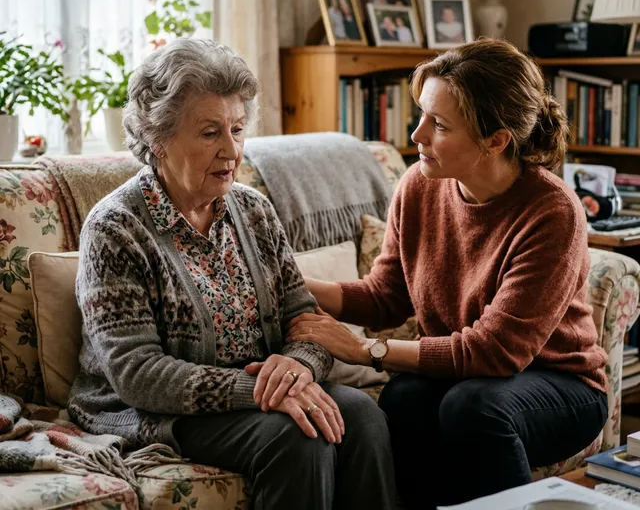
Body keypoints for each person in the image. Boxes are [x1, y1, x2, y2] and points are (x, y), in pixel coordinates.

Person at [67, 39, 396, 510]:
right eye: (209, 133)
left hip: (259, 394)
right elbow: (137, 374)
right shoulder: (116, 228)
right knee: (296, 438)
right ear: (157, 138)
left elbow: (305, 321)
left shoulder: (254, 210)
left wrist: (299, 366)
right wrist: (262, 391)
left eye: (237, 129)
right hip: (152, 409)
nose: (231, 150)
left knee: (363, 416)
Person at [288, 39, 608, 509]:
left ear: (495, 140)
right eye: (421, 115)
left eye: (438, 125)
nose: (417, 136)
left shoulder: (553, 211)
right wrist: (287, 285)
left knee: (472, 408)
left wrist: (364, 350)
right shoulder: (418, 186)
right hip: (469, 379)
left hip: (562, 388)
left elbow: (495, 353)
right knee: (403, 399)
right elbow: (386, 296)